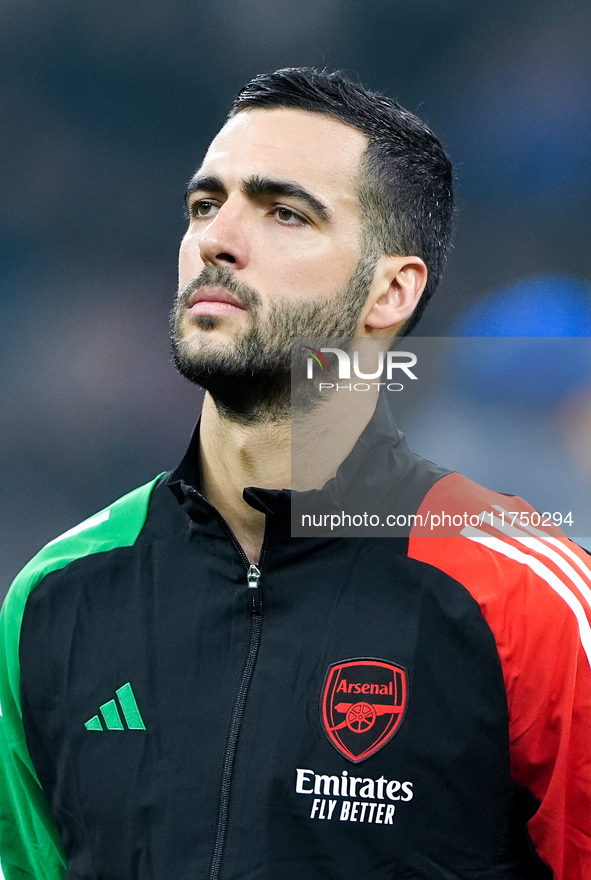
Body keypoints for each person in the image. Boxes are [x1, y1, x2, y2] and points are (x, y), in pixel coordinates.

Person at [0, 67, 589, 880]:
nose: (217, 238)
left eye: (284, 212)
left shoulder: (529, 600)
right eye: (205, 205)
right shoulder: (54, 595)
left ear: (389, 292)